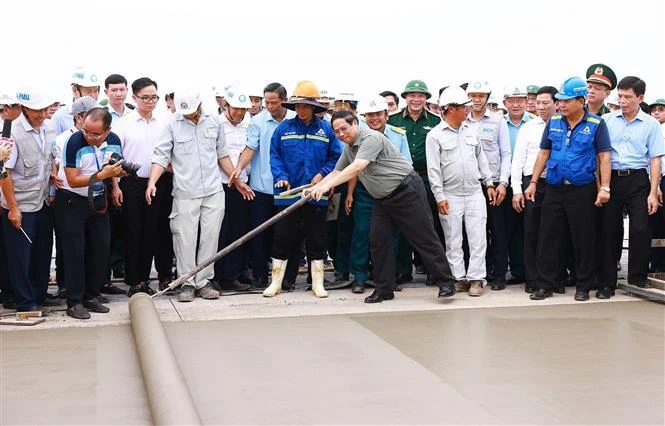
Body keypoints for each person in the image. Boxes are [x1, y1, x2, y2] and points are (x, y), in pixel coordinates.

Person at [305, 110, 456, 303]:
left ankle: (446, 282)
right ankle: (384, 288)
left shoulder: (371, 138)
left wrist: (326, 186)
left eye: (344, 129)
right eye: (337, 132)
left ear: (355, 124)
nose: (341, 134)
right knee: (378, 241)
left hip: (406, 191)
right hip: (382, 198)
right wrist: (316, 187)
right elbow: (337, 171)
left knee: (424, 237)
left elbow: (357, 167)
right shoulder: (349, 148)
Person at [525, 77, 611, 301]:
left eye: (566, 101)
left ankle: (583, 286)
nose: (561, 105)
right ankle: (545, 284)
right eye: (560, 101)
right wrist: (533, 181)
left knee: (583, 239)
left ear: (581, 101)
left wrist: (605, 188)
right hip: (554, 188)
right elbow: (544, 152)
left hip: (582, 190)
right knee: (548, 237)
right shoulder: (553, 122)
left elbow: (604, 157)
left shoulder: (596, 124)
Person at [147, 89, 236, 302]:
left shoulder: (213, 122)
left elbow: (221, 153)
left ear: (199, 104)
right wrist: (152, 182)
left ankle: (204, 281)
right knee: (185, 238)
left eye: (191, 111)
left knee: (210, 237)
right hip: (186, 191)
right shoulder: (171, 125)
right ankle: (187, 282)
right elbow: (161, 155)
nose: (188, 115)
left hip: (213, 190)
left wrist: (236, 178)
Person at [261, 80, 342, 299]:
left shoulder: (326, 130)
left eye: (306, 106)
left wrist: (322, 174)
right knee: (283, 238)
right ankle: (276, 283)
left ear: (314, 107)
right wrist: (281, 177)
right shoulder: (283, 129)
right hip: (288, 194)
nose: (302, 110)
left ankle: (317, 284)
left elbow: (336, 156)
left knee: (317, 238)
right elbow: (274, 156)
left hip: (316, 193)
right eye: (298, 106)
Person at [598, 76, 664, 295]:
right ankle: (607, 281)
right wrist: (602, 185)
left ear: (640, 98)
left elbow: (655, 159)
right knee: (610, 230)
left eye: (628, 97)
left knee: (641, 228)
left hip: (638, 180)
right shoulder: (607, 120)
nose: (623, 101)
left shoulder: (651, 124)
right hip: (612, 179)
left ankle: (638, 276)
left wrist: (653, 192)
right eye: (620, 96)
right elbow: (601, 155)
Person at [427, 87, 495, 297]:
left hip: (475, 192)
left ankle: (476, 279)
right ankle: (458, 278)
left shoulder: (470, 130)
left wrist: (489, 183)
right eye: (463, 107)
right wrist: (440, 197)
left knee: (478, 237)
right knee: (453, 239)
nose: (468, 110)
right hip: (450, 193)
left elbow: (481, 158)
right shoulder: (435, 135)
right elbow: (433, 170)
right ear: (451, 109)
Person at [113, 77, 176, 296]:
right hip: (133, 182)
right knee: (135, 231)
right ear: (135, 97)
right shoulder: (123, 124)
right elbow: (113, 157)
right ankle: (137, 280)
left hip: (162, 182)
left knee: (162, 230)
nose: (150, 102)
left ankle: (165, 275)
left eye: (154, 98)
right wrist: (115, 186)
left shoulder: (166, 121)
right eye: (145, 98)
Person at [61, 108, 126, 319]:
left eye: (95, 133)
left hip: (98, 200)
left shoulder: (115, 140)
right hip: (73, 200)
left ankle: (91, 295)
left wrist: (115, 184)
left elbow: (115, 166)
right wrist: (102, 175)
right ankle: (74, 301)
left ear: (107, 131)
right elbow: (72, 179)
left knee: (100, 247)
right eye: (86, 130)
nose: (89, 136)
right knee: (75, 251)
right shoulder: (74, 142)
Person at [231, 83, 296, 289]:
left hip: (288, 188)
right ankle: (260, 275)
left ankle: (287, 277)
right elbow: (251, 147)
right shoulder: (258, 121)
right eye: (266, 101)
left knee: (287, 235)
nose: (268, 105)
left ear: (284, 101)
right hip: (261, 187)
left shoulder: (295, 120)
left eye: (273, 102)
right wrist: (238, 169)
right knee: (259, 235)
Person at [344, 96, 411, 293]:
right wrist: (350, 194)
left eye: (378, 114)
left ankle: (386, 277)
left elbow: (407, 165)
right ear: (363, 117)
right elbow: (352, 168)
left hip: (392, 191)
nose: (374, 118)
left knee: (391, 236)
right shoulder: (356, 137)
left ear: (386, 115)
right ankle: (359, 276)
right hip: (365, 190)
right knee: (362, 233)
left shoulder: (398, 135)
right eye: (370, 115)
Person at [0, 89, 58, 313]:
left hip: (43, 201)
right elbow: (4, 174)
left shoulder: (48, 128)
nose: (43, 114)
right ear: (24, 108)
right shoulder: (11, 134)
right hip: (21, 205)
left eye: (45, 109)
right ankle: (24, 301)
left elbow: (49, 159)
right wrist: (13, 208)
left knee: (42, 252)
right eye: (37, 110)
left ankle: (38, 294)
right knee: (19, 257)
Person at [388, 79, 442, 284]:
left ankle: (432, 269)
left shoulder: (436, 121)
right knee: (402, 225)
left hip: (427, 177)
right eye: (411, 95)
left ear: (426, 98)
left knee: (429, 225)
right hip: (400, 179)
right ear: (405, 98)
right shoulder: (393, 120)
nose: (416, 99)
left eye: (420, 95)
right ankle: (403, 270)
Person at [511, 86, 559, 294]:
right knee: (532, 231)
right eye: (537, 102)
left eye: (545, 103)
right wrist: (516, 190)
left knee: (554, 232)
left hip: (556, 184)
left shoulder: (563, 125)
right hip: (531, 183)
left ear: (556, 104)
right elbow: (517, 160)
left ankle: (554, 277)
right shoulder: (528, 128)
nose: (540, 107)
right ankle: (533, 278)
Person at [465, 80, 512, 289]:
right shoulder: (461, 121)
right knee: (474, 232)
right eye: (473, 95)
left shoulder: (498, 121)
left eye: (481, 96)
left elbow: (505, 153)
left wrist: (503, 182)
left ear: (487, 97)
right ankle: (476, 273)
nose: (477, 100)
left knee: (498, 230)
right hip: (470, 185)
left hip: (494, 185)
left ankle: (499, 274)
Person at [212, 87, 255, 292]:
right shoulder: (215, 124)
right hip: (220, 184)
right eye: (235, 108)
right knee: (219, 232)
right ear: (225, 105)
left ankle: (231, 276)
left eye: (243, 109)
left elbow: (249, 150)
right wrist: (235, 179)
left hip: (244, 185)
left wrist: (240, 180)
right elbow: (220, 155)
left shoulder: (249, 125)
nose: (239, 113)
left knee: (238, 231)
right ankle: (214, 277)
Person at [52, 67, 101, 135]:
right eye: (88, 92)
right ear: (74, 90)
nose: (93, 96)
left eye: (95, 91)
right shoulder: (59, 117)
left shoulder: (103, 112)